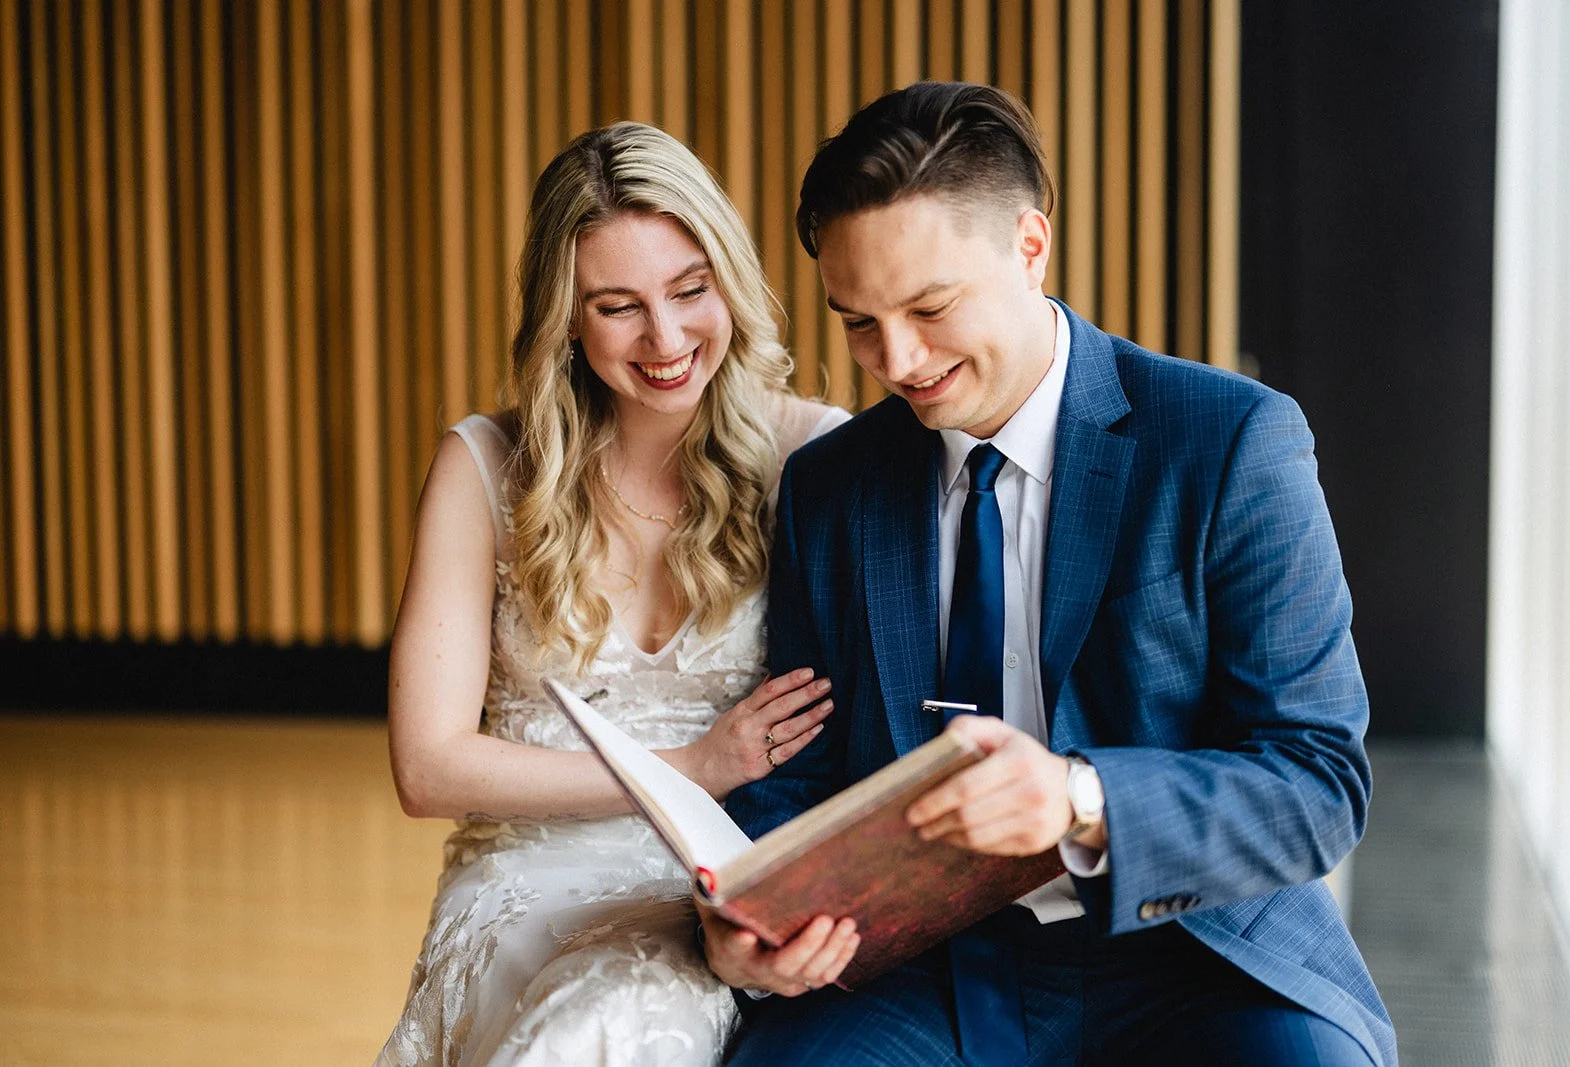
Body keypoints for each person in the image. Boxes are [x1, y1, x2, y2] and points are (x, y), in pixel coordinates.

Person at [701, 82, 1397, 1066]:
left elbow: (1318, 783)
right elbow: (797, 763)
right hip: (911, 966)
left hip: (1190, 946)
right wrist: (750, 906)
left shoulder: (1230, 442)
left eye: (929, 306)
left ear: (1030, 248)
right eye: (857, 321)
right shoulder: (830, 484)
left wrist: (1082, 797)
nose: (896, 359)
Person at [374, 122, 848, 1067]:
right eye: (618, 306)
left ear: (731, 280)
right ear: (566, 319)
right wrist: (689, 763)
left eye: (689, 290)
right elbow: (426, 768)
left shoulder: (817, 455)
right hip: (521, 880)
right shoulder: (484, 467)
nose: (666, 339)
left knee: (614, 1016)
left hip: (717, 884)